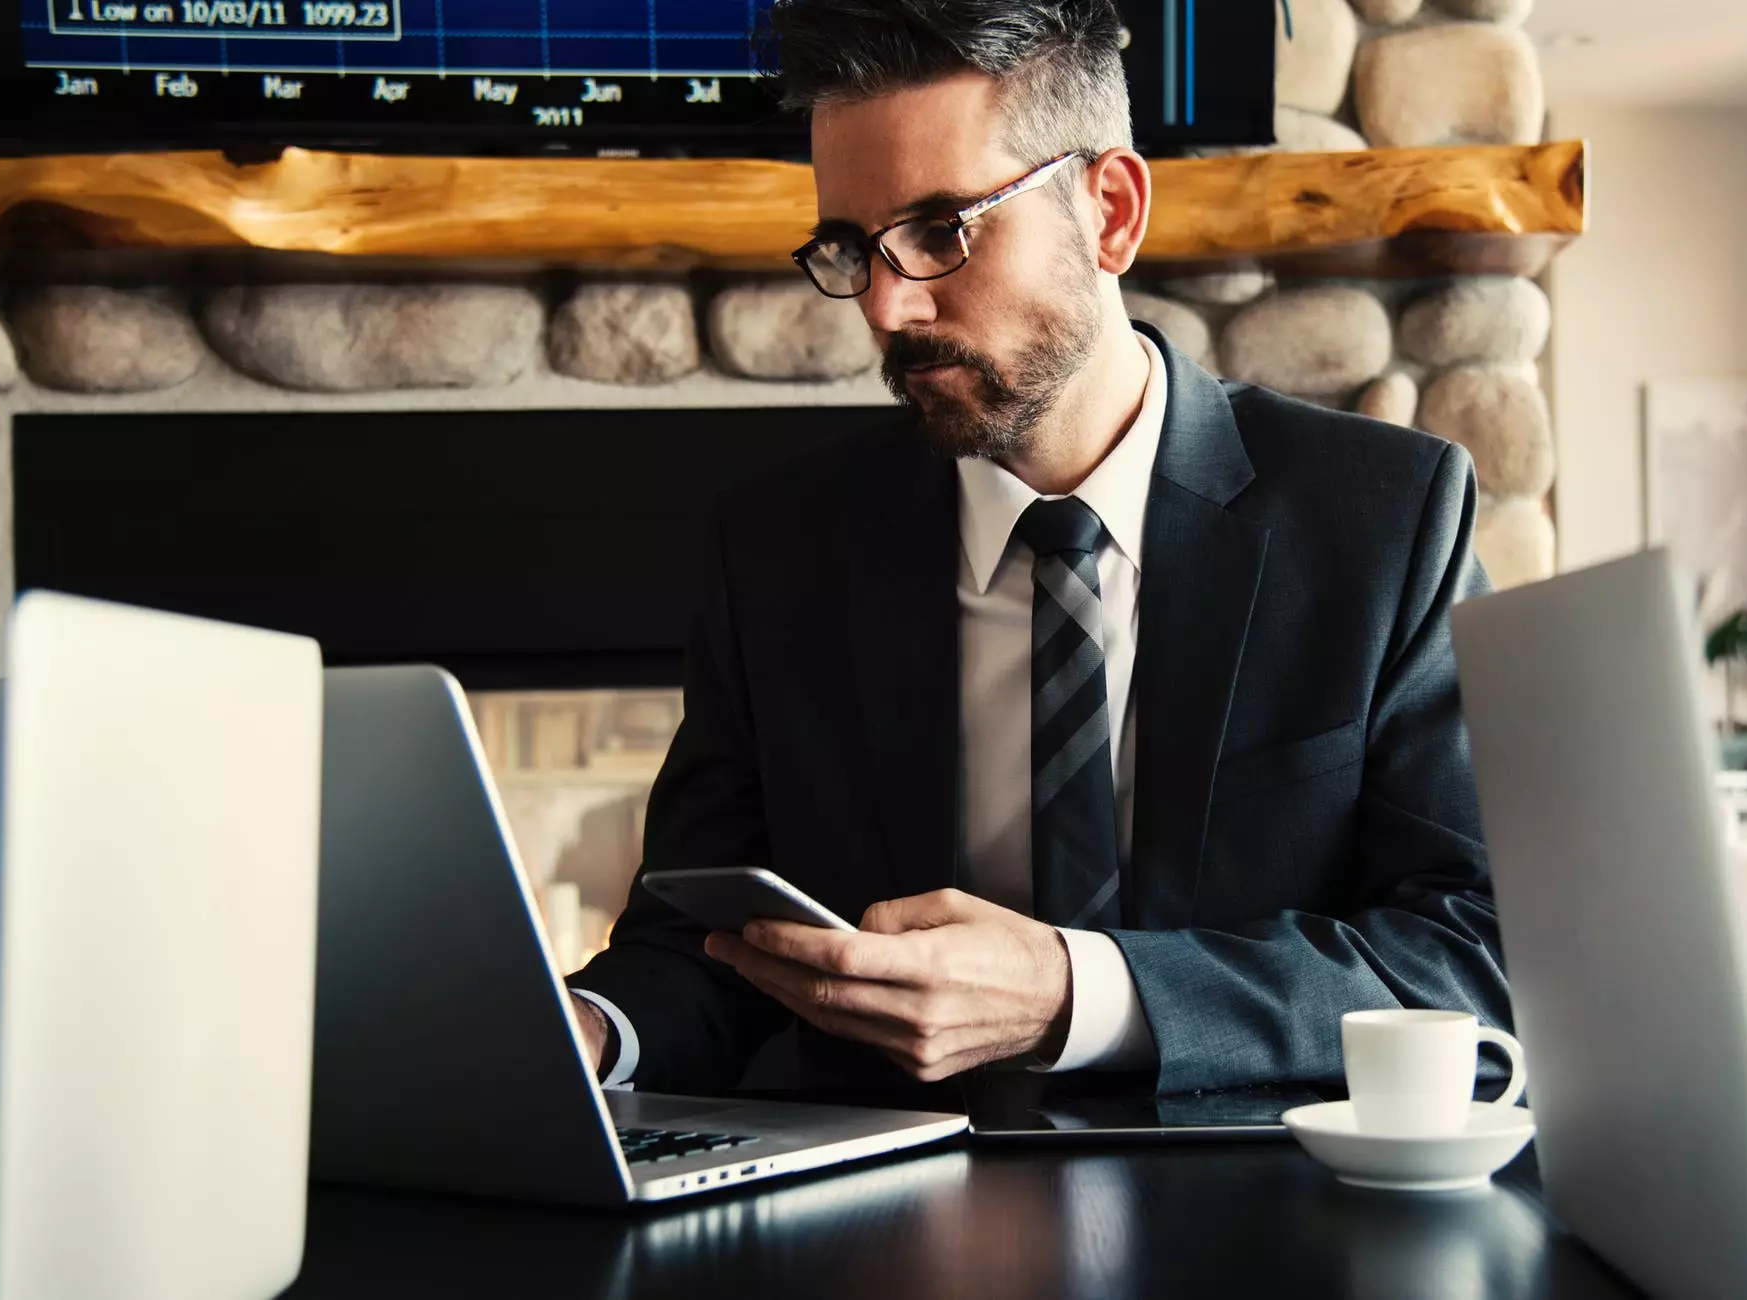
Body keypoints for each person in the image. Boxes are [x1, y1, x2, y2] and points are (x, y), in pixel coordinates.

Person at [566, 0, 1509, 1100]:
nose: (886, 304)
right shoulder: (775, 551)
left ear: (1109, 211)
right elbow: (702, 946)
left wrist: (1077, 993)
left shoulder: (1383, 519)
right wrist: (585, 1029)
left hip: (1258, 1207)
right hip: (888, 1220)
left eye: (940, 230)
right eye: (848, 247)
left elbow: (1471, 951)